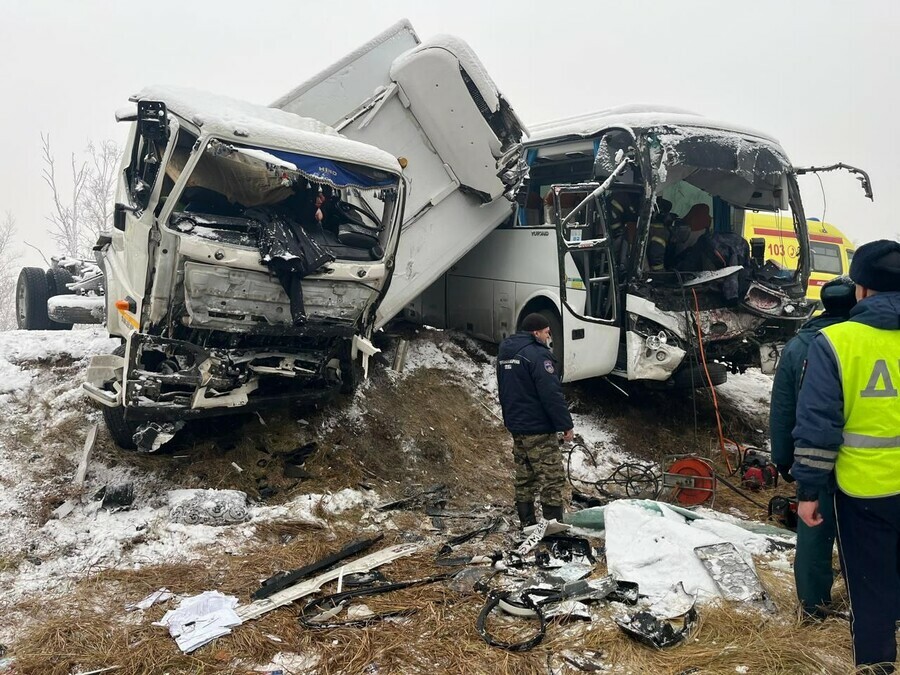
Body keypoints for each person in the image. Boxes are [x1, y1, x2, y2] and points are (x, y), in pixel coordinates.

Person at [793, 239, 900, 674]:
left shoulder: (835, 342)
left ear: (861, 289)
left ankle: (877, 664)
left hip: (864, 492)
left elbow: (819, 426)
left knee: (869, 587)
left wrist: (809, 490)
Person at [769, 276, 857, 619]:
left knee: (814, 532)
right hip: (860, 460)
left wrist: (783, 459)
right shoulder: (863, 342)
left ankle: (813, 608)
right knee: (860, 535)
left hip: (811, 459)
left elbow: (782, 408)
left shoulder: (799, 345)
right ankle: (864, 601)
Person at [496, 312, 574, 527]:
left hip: (517, 425)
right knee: (552, 477)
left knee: (525, 476)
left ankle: (527, 524)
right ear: (536, 332)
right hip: (538, 426)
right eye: (547, 333)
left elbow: (504, 390)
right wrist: (565, 425)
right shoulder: (538, 355)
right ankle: (552, 527)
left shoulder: (505, 353)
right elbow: (551, 393)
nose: (548, 337)